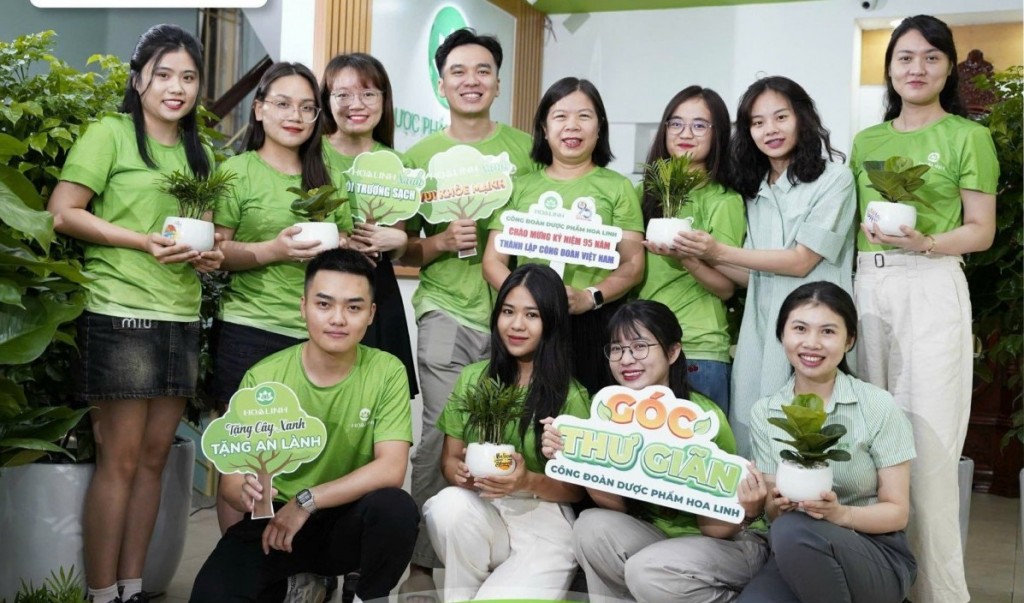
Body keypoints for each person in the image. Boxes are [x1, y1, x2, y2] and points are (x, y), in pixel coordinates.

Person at [47, 24, 221, 603]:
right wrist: (140, 241)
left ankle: (132, 587)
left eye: (188, 77)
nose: (177, 87)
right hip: (119, 313)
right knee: (118, 463)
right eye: (164, 74)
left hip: (180, 316)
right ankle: (102, 593)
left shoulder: (201, 155)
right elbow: (63, 211)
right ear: (137, 77)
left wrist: (209, 254)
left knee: (153, 462)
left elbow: (206, 233)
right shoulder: (111, 134)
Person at [850, 15, 998, 603]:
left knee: (929, 455)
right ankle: (880, 587)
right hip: (868, 287)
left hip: (932, 283)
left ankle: (940, 596)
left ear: (948, 68)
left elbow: (981, 230)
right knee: (869, 450)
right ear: (889, 67)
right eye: (905, 57)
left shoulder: (968, 136)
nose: (917, 68)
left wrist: (927, 242)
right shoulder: (866, 141)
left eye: (931, 57)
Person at [189, 248, 419, 603]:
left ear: (371, 314)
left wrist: (306, 501)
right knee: (212, 595)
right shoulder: (265, 377)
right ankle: (303, 585)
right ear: (304, 307)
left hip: (344, 519)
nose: (338, 319)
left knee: (396, 509)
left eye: (353, 307)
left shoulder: (387, 370)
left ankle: (368, 596)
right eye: (324, 304)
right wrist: (246, 492)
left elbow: (391, 468)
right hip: (275, 524)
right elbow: (232, 483)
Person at [401, 28, 537, 595]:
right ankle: (421, 560)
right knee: (441, 432)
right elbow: (400, 248)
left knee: (513, 430)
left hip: (519, 315)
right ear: (441, 85)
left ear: (499, 82)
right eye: (458, 71)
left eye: (483, 70)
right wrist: (437, 242)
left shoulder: (528, 150)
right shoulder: (417, 158)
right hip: (446, 310)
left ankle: (500, 553)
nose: (471, 80)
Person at [673, 76, 856, 456]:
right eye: (757, 122)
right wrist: (691, 253)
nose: (769, 130)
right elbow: (748, 275)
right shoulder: (754, 189)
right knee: (750, 440)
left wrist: (716, 249)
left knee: (811, 443)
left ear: (802, 118)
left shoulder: (834, 179)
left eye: (780, 117)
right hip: (760, 334)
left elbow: (801, 261)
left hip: (813, 331)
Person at [541, 300, 769, 603]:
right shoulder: (606, 413)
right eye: (617, 349)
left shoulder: (703, 419)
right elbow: (616, 508)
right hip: (657, 540)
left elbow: (715, 528)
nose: (627, 359)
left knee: (647, 570)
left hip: (728, 540)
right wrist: (578, 461)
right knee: (590, 527)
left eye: (640, 346)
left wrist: (750, 508)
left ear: (672, 352)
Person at [209, 62, 353, 532]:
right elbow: (215, 251)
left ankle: (293, 560)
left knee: (306, 456)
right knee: (244, 460)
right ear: (258, 109)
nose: (296, 116)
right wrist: (273, 249)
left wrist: (345, 246)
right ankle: (237, 561)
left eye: (308, 107)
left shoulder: (328, 176)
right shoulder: (237, 171)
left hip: (317, 336)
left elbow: (349, 250)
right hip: (249, 330)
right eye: (283, 104)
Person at [737, 281, 917, 603]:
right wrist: (774, 506)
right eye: (800, 329)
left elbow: (897, 513)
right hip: (795, 549)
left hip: (874, 552)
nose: (812, 343)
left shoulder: (876, 405)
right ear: (782, 335)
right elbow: (774, 514)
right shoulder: (766, 412)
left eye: (828, 332)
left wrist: (839, 514)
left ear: (849, 341)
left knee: (791, 530)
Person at [423, 264, 590, 602]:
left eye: (532, 315)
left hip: (543, 522)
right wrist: (459, 473)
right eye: (508, 311)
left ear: (552, 322)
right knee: (447, 506)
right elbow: (450, 459)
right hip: (484, 510)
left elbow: (576, 491)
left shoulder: (572, 395)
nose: (516, 325)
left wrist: (527, 481)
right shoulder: (474, 378)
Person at [482, 76, 645, 396]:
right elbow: (492, 261)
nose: (572, 126)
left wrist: (590, 296)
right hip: (529, 324)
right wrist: (529, 302)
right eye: (560, 116)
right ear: (544, 128)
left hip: (593, 323)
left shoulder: (618, 187)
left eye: (584, 116)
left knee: (590, 410)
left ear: (600, 127)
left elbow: (633, 265)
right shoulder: (520, 187)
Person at [635, 86, 746, 412]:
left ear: (718, 133)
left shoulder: (724, 199)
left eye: (699, 125)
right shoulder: (643, 192)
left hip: (698, 346)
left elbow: (726, 288)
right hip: (639, 343)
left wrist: (687, 258)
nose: (685, 133)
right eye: (676, 123)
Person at [321, 51, 418, 399]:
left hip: (377, 286)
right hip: (319, 285)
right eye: (343, 94)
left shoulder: (399, 163)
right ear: (327, 100)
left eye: (368, 93)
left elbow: (404, 241)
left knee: (377, 397)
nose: (356, 104)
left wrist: (399, 241)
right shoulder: (310, 154)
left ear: (383, 100)